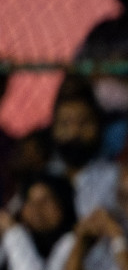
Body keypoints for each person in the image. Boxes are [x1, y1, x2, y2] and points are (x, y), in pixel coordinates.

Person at [46, 91, 117, 219]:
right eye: (65, 124)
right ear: (53, 130)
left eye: (84, 123)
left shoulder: (115, 178)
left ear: (98, 126)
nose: (74, 132)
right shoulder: (44, 175)